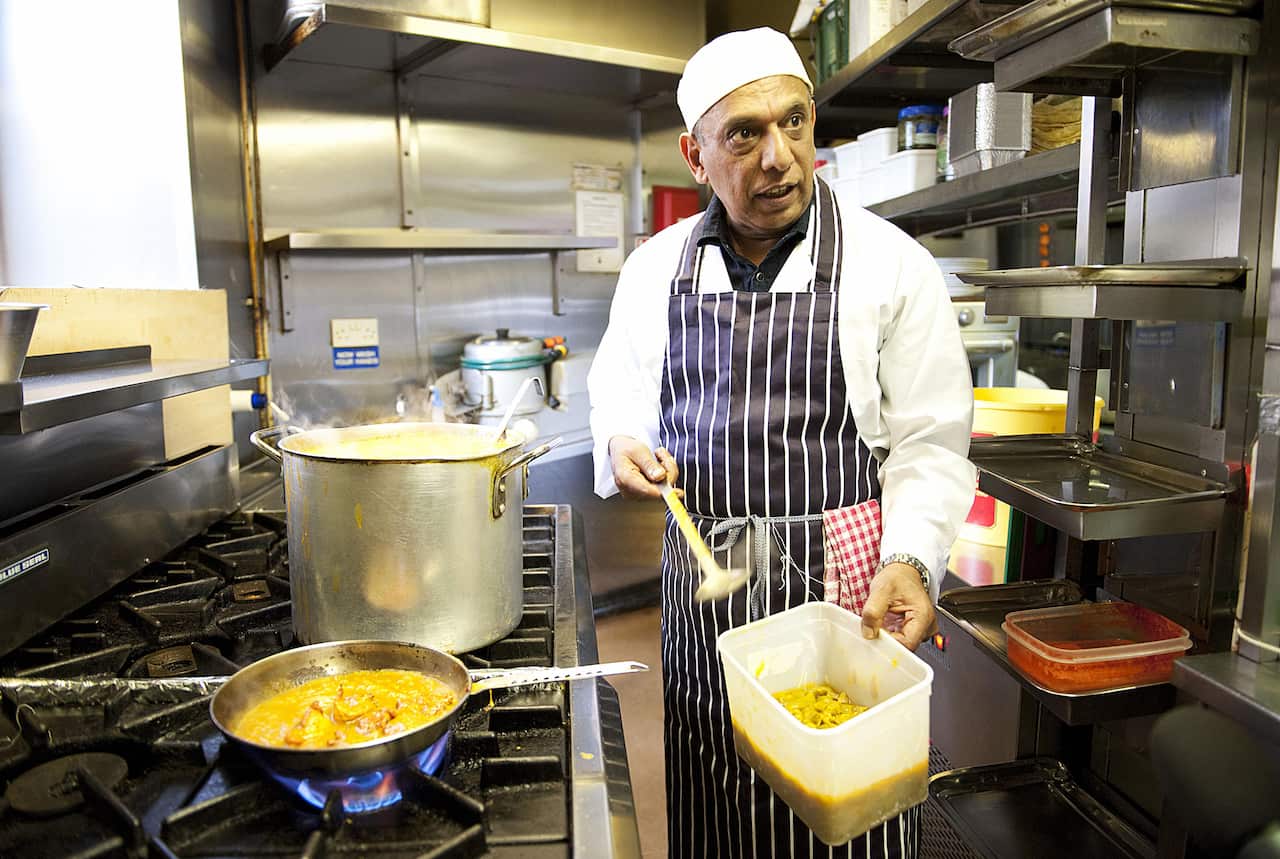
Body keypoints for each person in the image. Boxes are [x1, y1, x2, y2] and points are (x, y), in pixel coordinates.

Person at [588, 27, 975, 859]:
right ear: (696, 155)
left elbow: (931, 442)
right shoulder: (654, 271)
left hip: (845, 594)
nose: (780, 157)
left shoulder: (892, 267)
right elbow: (619, 393)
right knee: (715, 792)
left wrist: (913, 555)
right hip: (707, 592)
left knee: (851, 812)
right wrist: (620, 440)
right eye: (745, 134)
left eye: (794, 123)